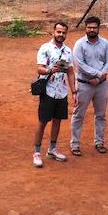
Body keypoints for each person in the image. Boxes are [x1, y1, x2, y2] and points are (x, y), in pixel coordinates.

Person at [33, 21, 76, 168]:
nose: (61, 35)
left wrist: (74, 91)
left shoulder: (67, 51)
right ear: (53, 32)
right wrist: (50, 70)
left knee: (57, 120)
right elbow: (40, 69)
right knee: (43, 121)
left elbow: (70, 72)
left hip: (61, 91)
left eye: (63, 32)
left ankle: (52, 149)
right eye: (58, 32)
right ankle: (37, 152)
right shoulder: (45, 48)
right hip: (48, 90)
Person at [70, 16, 108, 155]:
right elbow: (80, 65)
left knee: (101, 115)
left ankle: (99, 142)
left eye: (94, 27)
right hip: (84, 85)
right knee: (79, 115)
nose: (92, 30)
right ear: (85, 28)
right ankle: (75, 144)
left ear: (98, 28)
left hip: (101, 85)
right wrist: (99, 74)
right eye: (89, 27)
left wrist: (99, 78)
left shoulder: (105, 43)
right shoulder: (79, 44)